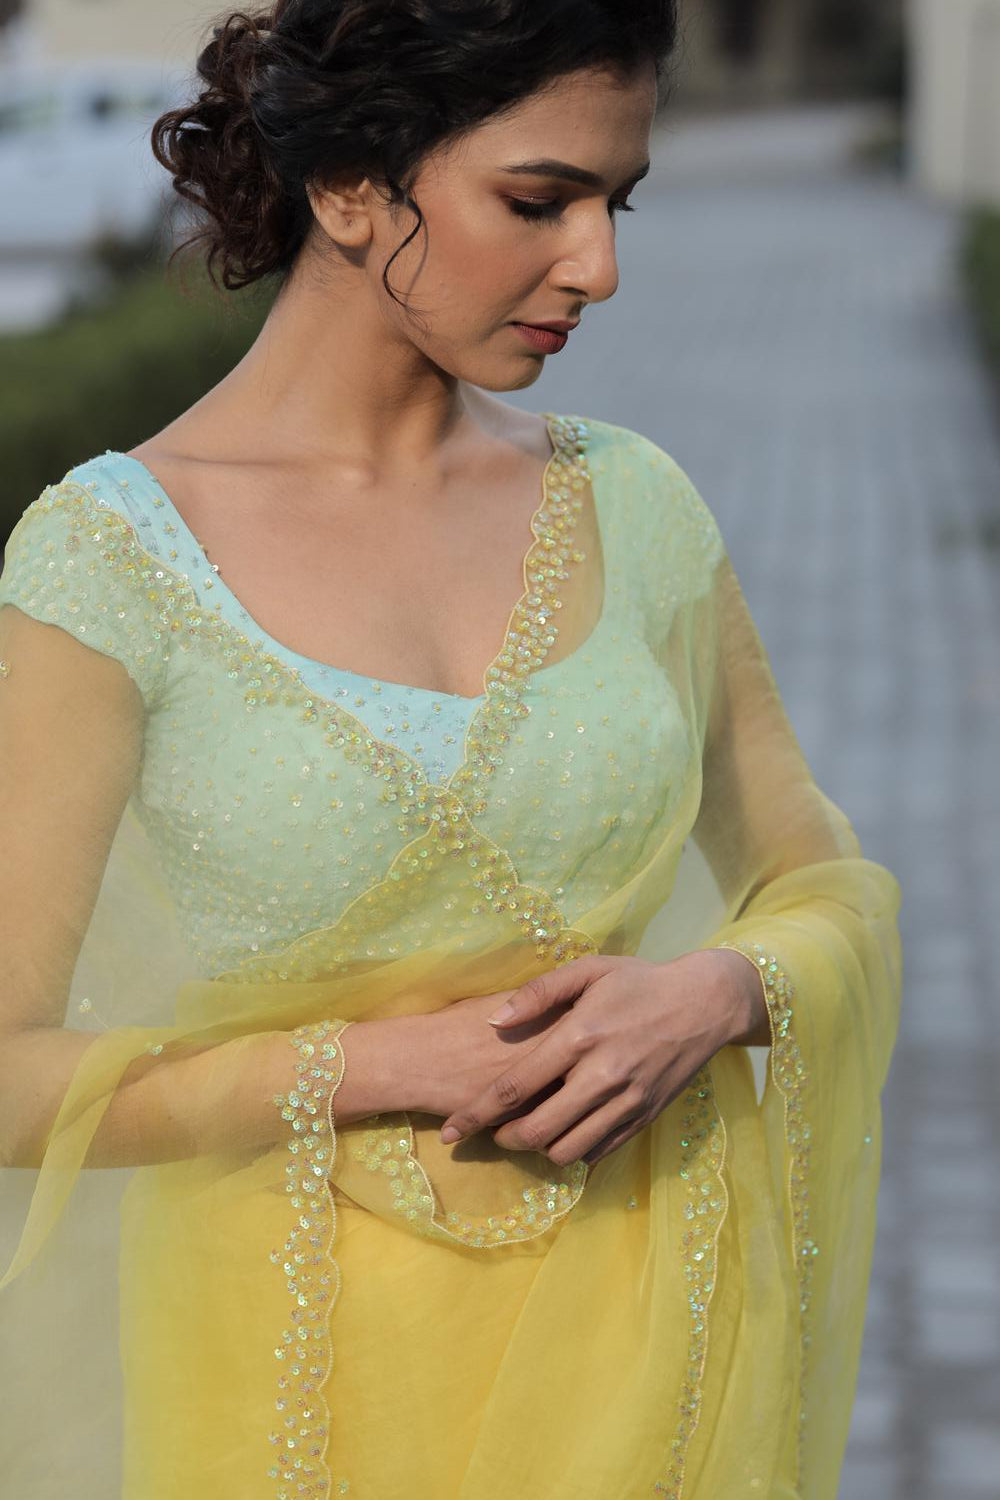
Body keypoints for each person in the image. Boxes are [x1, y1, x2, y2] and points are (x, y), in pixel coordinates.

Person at [0, 2, 902, 1497]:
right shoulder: (112, 561)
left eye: (618, 206)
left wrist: (718, 991)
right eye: (540, 201)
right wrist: (367, 1066)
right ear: (352, 185)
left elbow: (825, 882)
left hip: (654, 1342)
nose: (598, 267)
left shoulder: (635, 505)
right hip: (291, 1374)